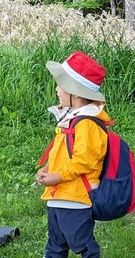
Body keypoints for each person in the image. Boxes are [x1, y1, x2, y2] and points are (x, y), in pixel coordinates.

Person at [37, 51, 109, 257]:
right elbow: (63, 152)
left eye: (61, 85)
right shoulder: (72, 117)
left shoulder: (87, 123)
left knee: (83, 246)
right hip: (59, 195)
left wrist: (56, 177)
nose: (57, 90)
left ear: (76, 93)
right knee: (54, 247)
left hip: (76, 198)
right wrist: (48, 169)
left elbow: (83, 161)